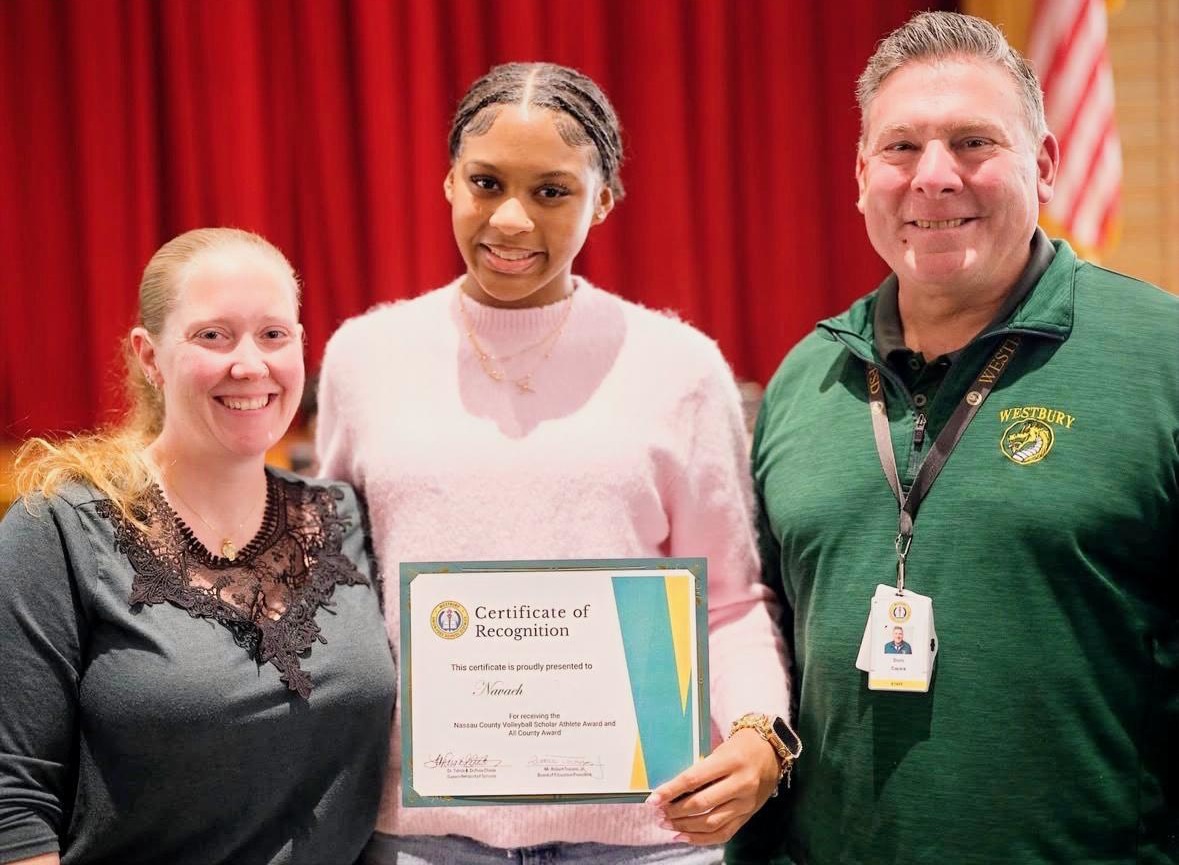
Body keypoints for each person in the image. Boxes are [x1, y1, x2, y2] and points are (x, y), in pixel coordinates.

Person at [729, 11, 1179, 865]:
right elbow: (760, 644)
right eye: (899, 148)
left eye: (973, 142)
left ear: (1043, 165)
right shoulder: (804, 379)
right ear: (860, 176)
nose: (933, 178)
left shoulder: (1160, 357)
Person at [316, 62, 795, 863]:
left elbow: (726, 601)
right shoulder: (364, 358)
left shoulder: (678, 365)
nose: (509, 219)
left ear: (602, 199)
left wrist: (758, 735)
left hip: (646, 834)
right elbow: (336, 593)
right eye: (485, 182)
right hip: (425, 836)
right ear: (446, 182)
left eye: (551, 191)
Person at [0, 228, 395, 865]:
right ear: (149, 356)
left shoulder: (347, 516)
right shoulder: (59, 531)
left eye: (274, 334)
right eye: (213, 335)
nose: (250, 365)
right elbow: (11, 803)